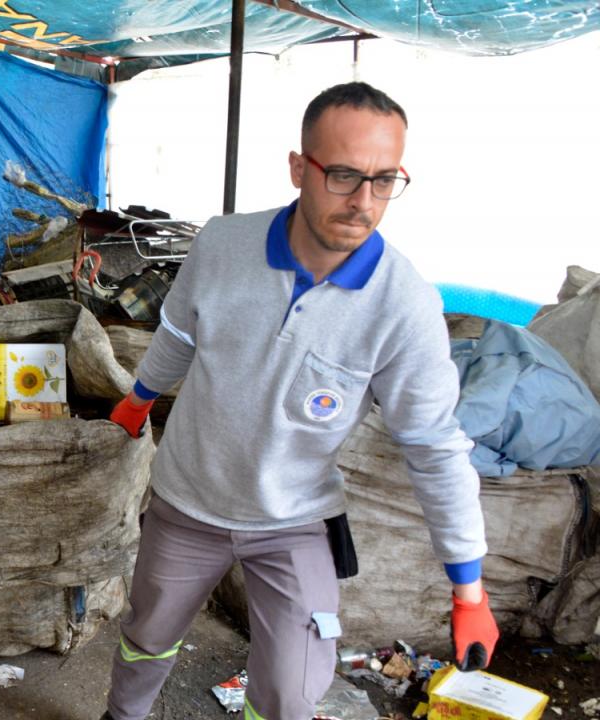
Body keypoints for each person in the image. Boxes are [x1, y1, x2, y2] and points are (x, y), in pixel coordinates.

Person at [102, 82, 499, 720]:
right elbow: (179, 332)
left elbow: (434, 447)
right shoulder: (223, 244)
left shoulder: (404, 306)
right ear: (298, 167)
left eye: (384, 179)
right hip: (187, 503)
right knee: (148, 636)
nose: (363, 201)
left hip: (293, 522)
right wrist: (140, 398)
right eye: (343, 175)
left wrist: (468, 588)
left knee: (292, 688)